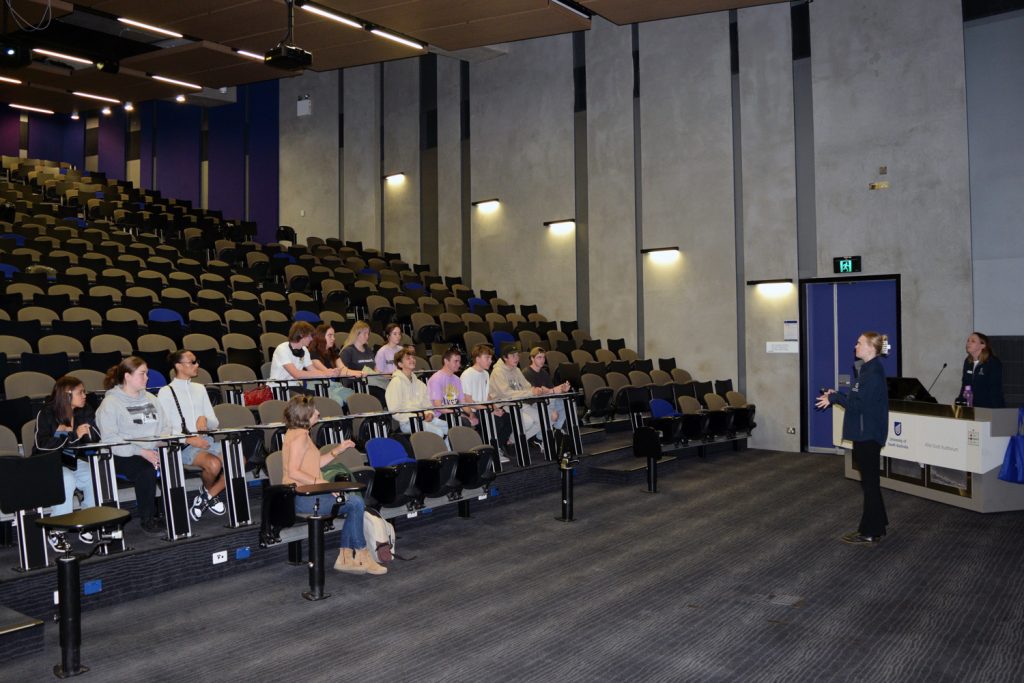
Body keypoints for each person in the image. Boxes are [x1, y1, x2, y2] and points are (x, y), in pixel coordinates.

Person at [280, 395, 385, 575]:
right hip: (303, 497)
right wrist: (324, 484)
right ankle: (360, 555)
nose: (318, 412)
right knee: (355, 503)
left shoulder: (298, 433)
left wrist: (338, 450)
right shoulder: (300, 437)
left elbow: (315, 464)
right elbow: (294, 472)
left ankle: (347, 558)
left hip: (307, 493)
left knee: (354, 503)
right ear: (305, 414)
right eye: (314, 410)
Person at [816, 332, 890, 544]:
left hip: (868, 435)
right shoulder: (866, 370)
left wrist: (835, 398)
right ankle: (878, 524)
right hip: (864, 433)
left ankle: (870, 531)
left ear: (871, 348)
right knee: (870, 482)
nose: (855, 346)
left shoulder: (872, 373)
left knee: (870, 484)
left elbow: (859, 406)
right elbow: (858, 398)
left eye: (859, 343)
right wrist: (837, 394)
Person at [96, 357, 169, 534]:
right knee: (145, 470)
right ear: (127, 376)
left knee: (171, 463)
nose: (147, 378)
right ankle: (148, 518)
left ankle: (170, 514)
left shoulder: (151, 398)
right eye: (142, 374)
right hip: (121, 453)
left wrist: (159, 445)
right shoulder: (111, 403)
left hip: (151, 450)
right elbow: (111, 440)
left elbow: (166, 427)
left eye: (147, 373)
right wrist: (141, 451)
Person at [157, 350, 226, 521]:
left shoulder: (200, 388)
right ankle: (210, 494)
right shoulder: (166, 392)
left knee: (238, 459)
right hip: (184, 446)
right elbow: (163, 430)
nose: (197, 365)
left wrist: (204, 418)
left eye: (196, 361)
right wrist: (188, 439)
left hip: (206, 441)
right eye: (192, 362)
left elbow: (214, 423)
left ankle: (207, 496)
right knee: (214, 464)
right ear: (179, 366)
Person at [33, 375, 100, 550]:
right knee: (67, 479)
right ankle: (56, 529)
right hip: (48, 461)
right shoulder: (46, 413)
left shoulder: (84, 410)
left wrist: (87, 433)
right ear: (67, 395)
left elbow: (96, 436)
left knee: (93, 474)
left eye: (84, 392)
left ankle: (87, 519)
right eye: (80, 392)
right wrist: (71, 435)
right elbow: (42, 445)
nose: (85, 395)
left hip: (72, 459)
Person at [460, 343, 511, 463]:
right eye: (487, 358)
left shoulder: (485, 374)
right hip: (472, 411)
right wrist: (490, 410)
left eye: (491, 358)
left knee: (507, 418)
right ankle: (490, 452)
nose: (490, 361)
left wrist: (495, 408)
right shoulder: (467, 374)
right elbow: (468, 400)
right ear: (477, 359)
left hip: (484, 409)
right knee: (495, 420)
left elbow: (487, 396)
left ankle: (496, 447)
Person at [385, 347, 448, 439]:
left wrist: (430, 413)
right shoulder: (395, 383)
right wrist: (418, 415)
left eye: (413, 358)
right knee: (438, 432)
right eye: (408, 358)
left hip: (424, 418)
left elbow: (428, 404)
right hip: (408, 422)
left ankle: (445, 449)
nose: (412, 360)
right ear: (400, 364)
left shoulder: (419, 383)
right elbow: (394, 411)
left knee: (451, 429)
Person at [489, 344, 543, 450]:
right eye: (513, 356)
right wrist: (530, 392)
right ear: (505, 358)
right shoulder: (498, 372)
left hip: (519, 403)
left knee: (542, 419)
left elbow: (527, 387)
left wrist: (536, 390)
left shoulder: (516, 370)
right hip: (505, 405)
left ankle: (512, 442)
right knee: (528, 422)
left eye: (517, 355)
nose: (517, 358)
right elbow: (506, 394)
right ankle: (512, 443)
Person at [269, 321, 343, 394]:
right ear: (301, 335)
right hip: (280, 388)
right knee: (315, 397)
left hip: (295, 386)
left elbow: (313, 370)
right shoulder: (282, 349)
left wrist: (329, 372)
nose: (311, 339)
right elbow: (296, 374)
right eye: (309, 336)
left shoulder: (304, 350)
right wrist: (325, 373)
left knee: (321, 395)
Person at [308, 323, 366, 406]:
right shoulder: (313, 354)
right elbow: (328, 373)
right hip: (318, 386)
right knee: (337, 401)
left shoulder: (333, 352)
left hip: (333, 385)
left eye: (333, 335)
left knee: (356, 398)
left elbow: (343, 369)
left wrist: (359, 372)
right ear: (321, 337)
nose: (333, 338)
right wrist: (355, 373)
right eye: (330, 335)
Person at [523, 347, 572, 431]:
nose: (542, 360)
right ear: (532, 358)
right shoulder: (526, 372)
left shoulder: (544, 372)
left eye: (543, 357)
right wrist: (551, 392)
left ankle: (557, 429)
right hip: (534, 403)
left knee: (567, 402)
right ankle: (541, 436)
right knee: (553, 413)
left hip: (546, 400)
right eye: (539, 357)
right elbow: (535, 394)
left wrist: (562, 389)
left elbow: (551, 390)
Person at [427, 346, 477, 427]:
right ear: (446, 361)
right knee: (464, 422)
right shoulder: (436, 379)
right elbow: (438, 407)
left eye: (459, 362)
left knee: (478, 419)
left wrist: (471, 414)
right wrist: (459, 414)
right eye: (456, 361)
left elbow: (462, 402)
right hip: (440, 415)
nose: (459, 364)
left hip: (454, 413)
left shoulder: (457, 379)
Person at [959, 331, 1004, 408]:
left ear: (983, 345)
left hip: (988, 407)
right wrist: (960, 402)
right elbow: (965, 385)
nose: (968, 343)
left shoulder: (992, 362)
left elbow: (994, 389)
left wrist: (995, 411)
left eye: (973, 341)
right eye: (968, 340)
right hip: (970, 407)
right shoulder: (968, 362)